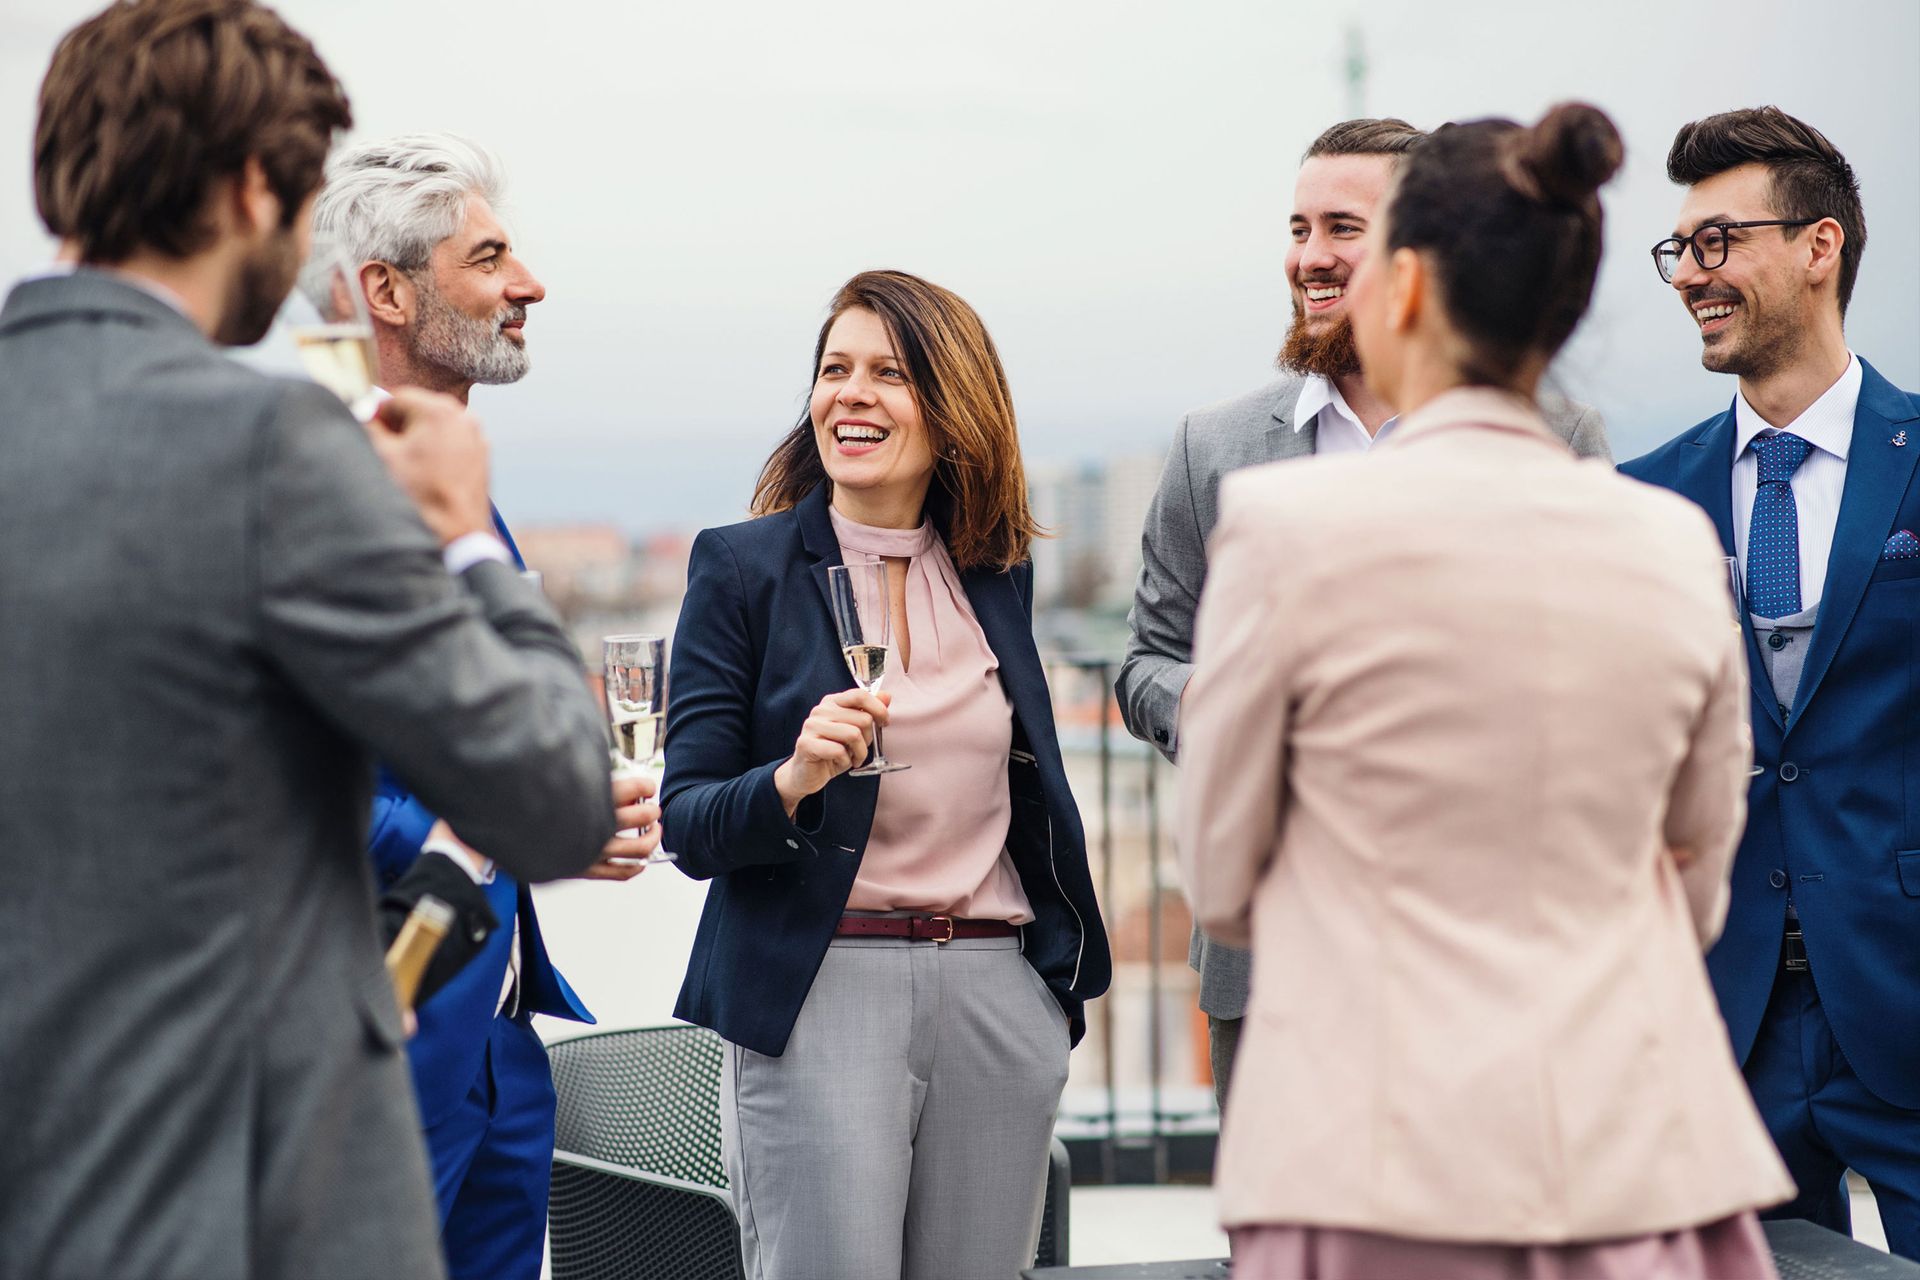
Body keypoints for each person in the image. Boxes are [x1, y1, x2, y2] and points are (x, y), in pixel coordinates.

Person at [0, 3, 616, 1278]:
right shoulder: (272, 451)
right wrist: (465, 546)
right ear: (248, 189)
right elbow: (559, 798)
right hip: (265, 1185)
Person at [1179, 104, 1793, 1278]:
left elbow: (1221, 876)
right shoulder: (1673, 543)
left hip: (1374, 1160)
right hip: (1629, 1157)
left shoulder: (1282, 531)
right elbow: (1699, 880)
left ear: (1402, 288)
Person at [1115, 117, 1612, 1106]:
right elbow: (1145, 659)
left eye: (1341, 226)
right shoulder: (1213, 449)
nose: (1308, 257)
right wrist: (1219, 703)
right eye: (1297, 228)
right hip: (1267, 958)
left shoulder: (1560, 437)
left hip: (1490, 955)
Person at [661, 269, 1110, 1280]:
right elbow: (688, 820)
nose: (851, 393)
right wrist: (792, 777)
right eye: (835, 369)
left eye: (890, 373)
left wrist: (1047, 999)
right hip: (824, 989)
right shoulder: (741, 569)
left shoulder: (995, 574)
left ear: (950, 411)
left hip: (996, 992)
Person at [313, 132, 659, 1280]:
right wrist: (481, 837)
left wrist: (564, 811)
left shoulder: (467, 490)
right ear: (389, 292)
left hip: (508, 1052)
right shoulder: (308, 497)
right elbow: (288, 780)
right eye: (491, 257)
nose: (532, 284)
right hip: (384, 1046)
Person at [1621, 107, 1920, 1260]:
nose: (1693, 273)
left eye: (1720, 241)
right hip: (1723, 1022)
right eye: (1681, 249)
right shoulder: (1646, 496)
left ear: (1819, 245)